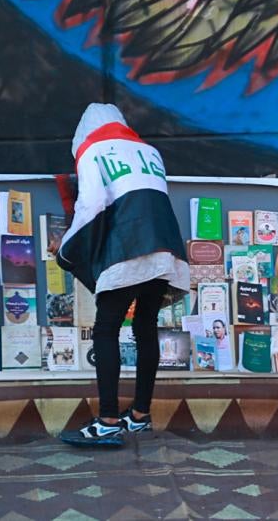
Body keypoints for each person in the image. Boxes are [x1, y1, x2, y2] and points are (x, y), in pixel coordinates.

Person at [56, 103, 190, 447]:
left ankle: (107, 421)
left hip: (128, 248)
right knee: (145, 326)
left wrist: (66, 248)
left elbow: (92, 205)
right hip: (165, 248)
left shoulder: (93, 150)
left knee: (106, 329)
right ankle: (140, 415)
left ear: (82, 134)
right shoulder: (149, 151)